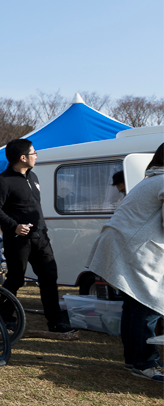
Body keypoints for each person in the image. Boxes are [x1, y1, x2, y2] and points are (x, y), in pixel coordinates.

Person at [86, 142, 164, 381]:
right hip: (134, 248)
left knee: (133, 306)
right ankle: (145, 363)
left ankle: (133, 359)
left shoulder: (151, 178)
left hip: (123, 244)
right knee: (146, 304)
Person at [0, 138, 73, 333]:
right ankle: (6, 319)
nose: (36, 156)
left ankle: (56, 322)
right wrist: (14, 226)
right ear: (23, 157)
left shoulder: (33, 177)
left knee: (49, 278)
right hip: (18, 240)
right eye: (33, 153)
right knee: (15, 279)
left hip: (41, 238)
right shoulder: (3, 181)